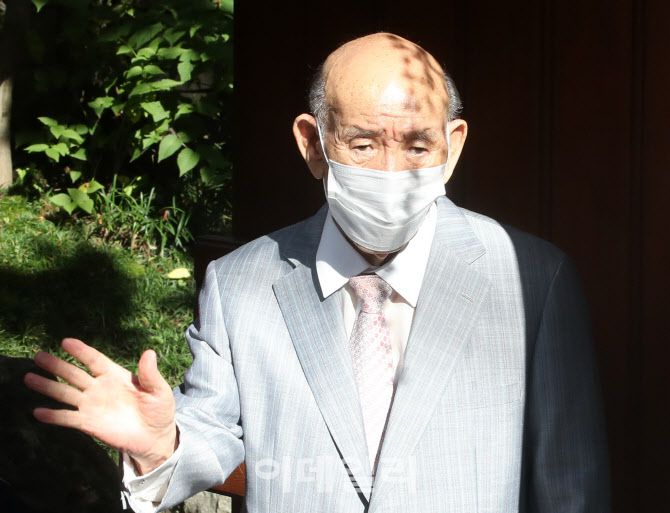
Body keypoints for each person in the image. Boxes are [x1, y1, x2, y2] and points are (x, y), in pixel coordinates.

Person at [24, 33, 610, 512]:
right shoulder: (242, 283)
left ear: (452, 147)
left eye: (416, 146)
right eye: (363, 144)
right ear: (313, 144)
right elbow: (213, 428)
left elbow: (571, 486)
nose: (391, 170)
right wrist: (163, 445)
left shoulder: (530, 280)